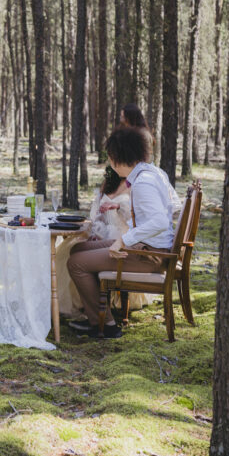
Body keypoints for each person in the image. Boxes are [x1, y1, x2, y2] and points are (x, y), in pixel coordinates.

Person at [66, 126, 178, 339]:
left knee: (75, 263)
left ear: (118, 157)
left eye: (110, 157)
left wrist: (123, 241)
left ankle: (105, 325)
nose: (109, 162)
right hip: (150, 247)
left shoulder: (144, 181)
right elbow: (166, 209)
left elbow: (160, 221)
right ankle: (97, 315)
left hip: (150, 254)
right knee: (78, 249)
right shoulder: (153, 173)